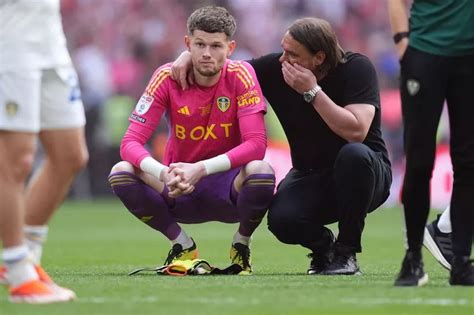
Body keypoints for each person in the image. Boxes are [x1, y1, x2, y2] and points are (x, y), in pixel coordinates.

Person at [172, 17, 392, 275]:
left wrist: (312, 92)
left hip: (367, 175)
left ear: (318, 58)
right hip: (311, 175)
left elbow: (356, 131)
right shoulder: (278, 69)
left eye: (292, 54)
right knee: (281, 221)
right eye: (283, 49)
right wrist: (189, 57)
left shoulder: (356, 68)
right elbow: (227, 71)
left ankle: (346, 253)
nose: (282, 59)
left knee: (353, 154)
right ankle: (324, 248)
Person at [108, 6, 275, 275]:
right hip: (177, 186)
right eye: (199, 44)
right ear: (188, 44)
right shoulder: (166, 77)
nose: (207, 53)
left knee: (262, 171)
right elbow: (129, 143)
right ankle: (181, 243)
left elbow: (257, 144)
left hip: (228, 189)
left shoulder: (242, 75)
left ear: (230, 48)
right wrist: (163, 172)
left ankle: (241, 243)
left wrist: (201, 168)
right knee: (121, 171)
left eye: (215, 46)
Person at [0, 0, 88, 303]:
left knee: (71, 155)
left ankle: (28, 260)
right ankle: (18, 272)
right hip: (9, 40)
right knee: (17, 160)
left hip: (50, 38)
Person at [388, 0, 474, 286]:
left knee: (468, 163)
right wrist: (403, 45)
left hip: (468, 59)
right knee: (419, 160)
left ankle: (461, 262)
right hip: (424, 54)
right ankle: (413, 258)